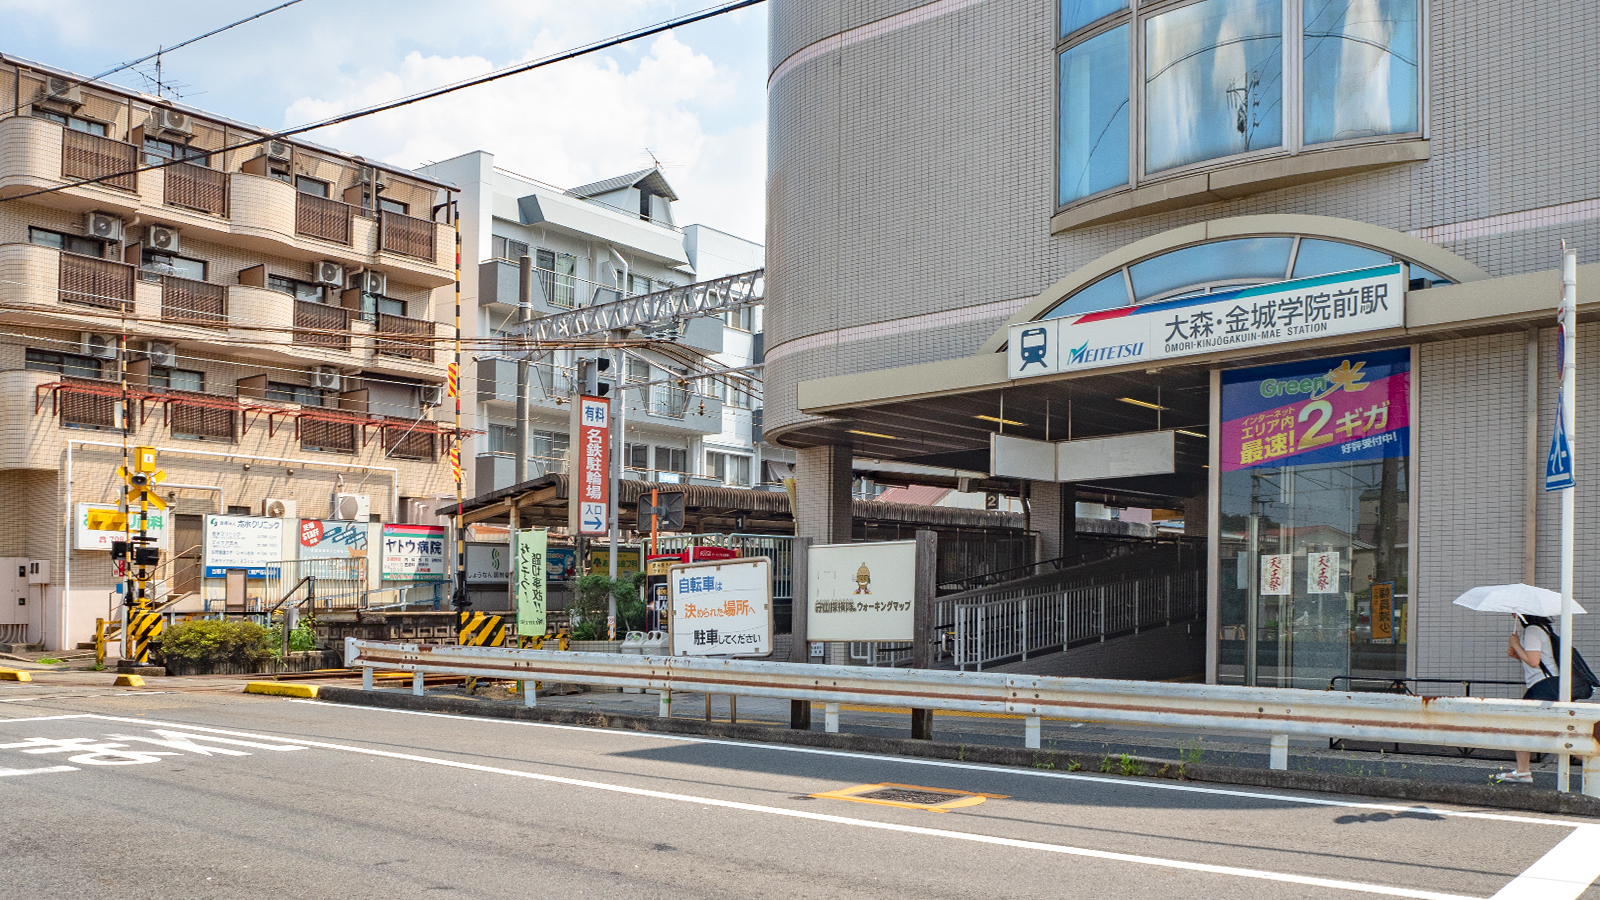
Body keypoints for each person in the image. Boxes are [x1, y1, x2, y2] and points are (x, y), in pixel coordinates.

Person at [1494, 614, 1561, 784]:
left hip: (1542, 687)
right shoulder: (1542, 629)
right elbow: (1538, 661)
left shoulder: (1532, 631)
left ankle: (1523, 771)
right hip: (1549, 686)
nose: (1513, 615)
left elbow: (1533, 661)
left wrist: (1516, 644)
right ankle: (1522, 771)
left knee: (1559, 733)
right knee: (1559, 732)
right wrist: (1518, 654)